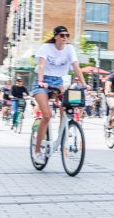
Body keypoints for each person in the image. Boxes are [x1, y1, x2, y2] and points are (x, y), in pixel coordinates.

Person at [31, 26, 86, 164]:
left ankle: (63, 137)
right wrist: (41, 81)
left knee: (68, 107)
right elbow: (42, 66)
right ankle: (37, 151)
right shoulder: (46, 47)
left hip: (59, 81)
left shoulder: (70, 49)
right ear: (55, 36)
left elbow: (76, 67)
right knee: (47, 115)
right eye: (62, 35)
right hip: (43, 81)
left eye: (67, 35)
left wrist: (84, 84)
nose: (65, 38)